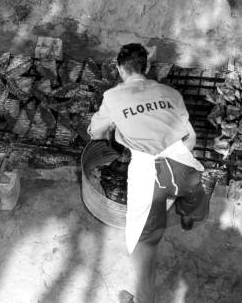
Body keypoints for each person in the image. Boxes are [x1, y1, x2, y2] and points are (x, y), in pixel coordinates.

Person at [89, 43, 212, 303]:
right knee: (193, 190)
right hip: (182, 161)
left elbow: (95, 133)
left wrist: (113, 131)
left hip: (148, 172)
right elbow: (190, 134)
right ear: (147, 67)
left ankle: (142, 301)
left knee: (145, 240)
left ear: (119, 69)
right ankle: (189, 217)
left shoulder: (112, 97)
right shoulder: (170, 92)